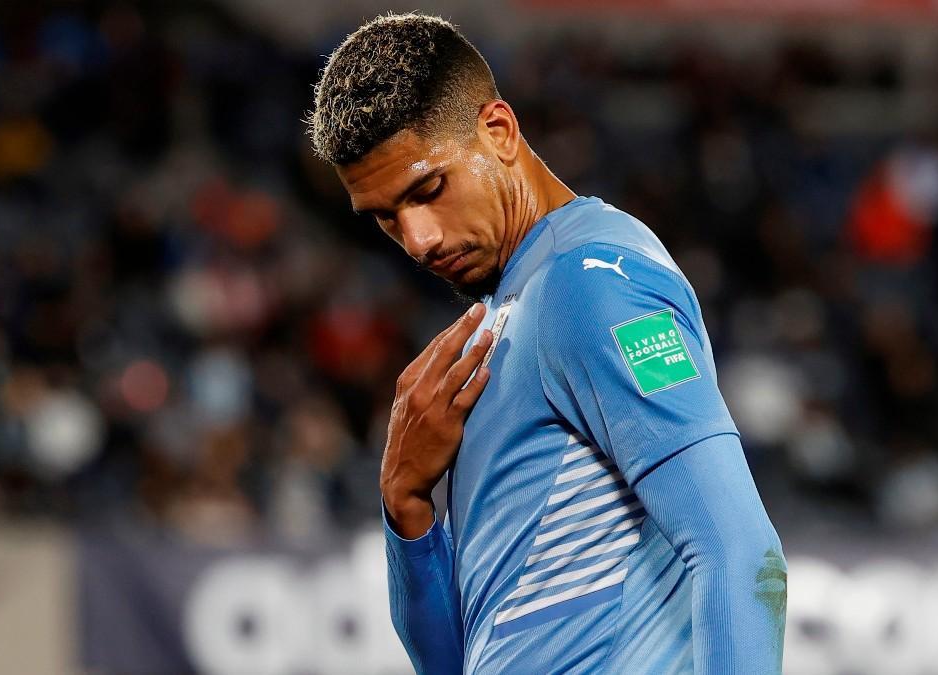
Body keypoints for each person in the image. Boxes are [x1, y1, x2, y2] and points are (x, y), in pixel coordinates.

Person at [309, 13, 786, 674]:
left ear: (498, 131)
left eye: (428, 189)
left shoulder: (589, 286)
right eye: (387, 216)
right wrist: (406, 505)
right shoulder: (508, 310)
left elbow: (739, 549)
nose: (416, 239)